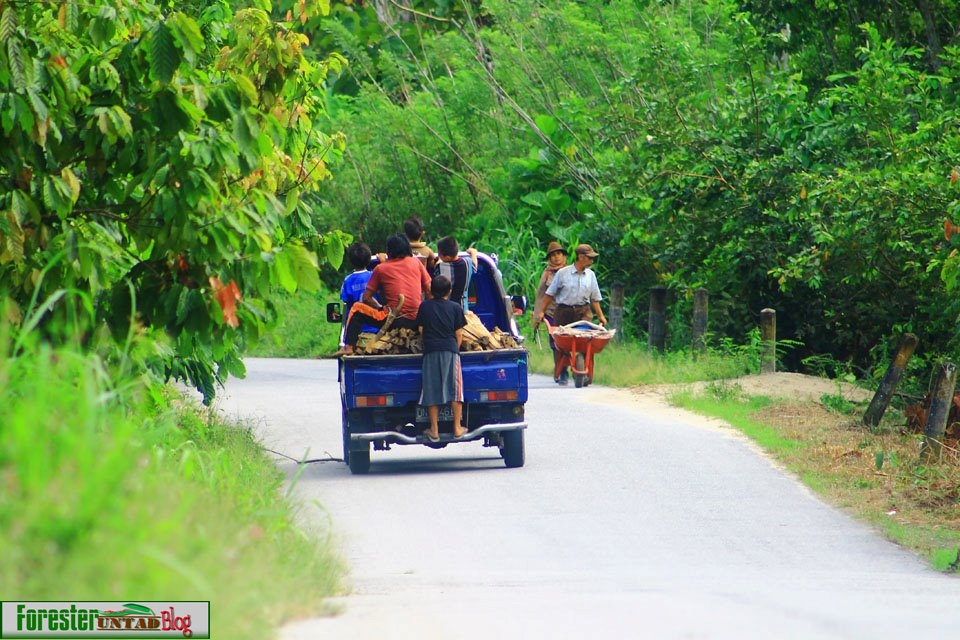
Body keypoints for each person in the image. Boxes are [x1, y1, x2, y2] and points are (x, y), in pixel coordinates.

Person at [339, 234, 432, 355]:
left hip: (394, 320)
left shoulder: (381, 268)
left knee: (357, 307)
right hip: (417, 319)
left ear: (389, 250)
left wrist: (380, 307)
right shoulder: (416, 263)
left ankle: (349, 347)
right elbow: (429, 291)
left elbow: (366, 298)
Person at [533, 243, 607, 384]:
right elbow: (548, 295)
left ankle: (584, 370)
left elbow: (595, 299)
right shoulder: (563, 274)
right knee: (561, 343)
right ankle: (562, 372)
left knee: (587, 339)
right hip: (564, 312)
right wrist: (541, 312)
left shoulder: (591, 275)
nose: (592, 261)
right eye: (590, 258)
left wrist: (601, 315)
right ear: (581, 257)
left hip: (583, 312)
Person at [417, 274, 468, 442]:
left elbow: (421, 331)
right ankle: (457, 428)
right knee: (455, 390)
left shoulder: (424, 307)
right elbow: (458, 334)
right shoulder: (455, 307)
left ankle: (434, 430)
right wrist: (455, 347)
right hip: (450, 351)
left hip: (430, 351)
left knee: (431, 389)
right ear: (450, 291)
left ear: (430, 290)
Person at [532, 241, 569, 383]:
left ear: (564, 256)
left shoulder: (570, 271)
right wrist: (537, 316)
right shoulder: (547, 274)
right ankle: (561, 370)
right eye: (553, 255)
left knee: (569, 341)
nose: (556, 258)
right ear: (549, 258)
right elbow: (540, 296)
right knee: (556, 343)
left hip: (567, 312)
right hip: (552, 313)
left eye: (559, 254)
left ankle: (569, 369)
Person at [339, 242, 378, 344]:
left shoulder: (348, 280)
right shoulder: (374, 276)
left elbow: (346, 304)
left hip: (357, 330)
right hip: (375, 327)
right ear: (369, 258)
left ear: (351, 260)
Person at [434, 235, 474, 311]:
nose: (439, 256)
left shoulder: (440, 267)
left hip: (447, 311)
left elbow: (436, 266)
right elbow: (474, 264)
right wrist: (473, 252)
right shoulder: (467, 262)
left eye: (440, 254)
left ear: (447, 257)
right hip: (463, 309)